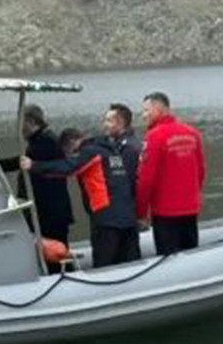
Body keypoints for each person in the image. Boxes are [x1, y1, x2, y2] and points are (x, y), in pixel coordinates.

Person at [23, 105, 142, 268]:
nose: (72, 155)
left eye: (71, 152)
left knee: (104, 266)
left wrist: (33, 165)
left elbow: (67, 168)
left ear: (72, 144)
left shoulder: (90, 152)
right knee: (131, 264)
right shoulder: (113, 150)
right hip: (128, 218)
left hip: (107, 220)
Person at [136, 92, 205, 256]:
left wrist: (140, 212)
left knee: (169, 259)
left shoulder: (154, 137)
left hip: (165, 212)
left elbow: (146, 179)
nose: (143, 115)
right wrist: (193, 196)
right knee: (190, 253)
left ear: (158, 110)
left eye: (146, 110)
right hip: (189, 208)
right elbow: (201, 171)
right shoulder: (192, 133)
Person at [0, 104, 74, 244]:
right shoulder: (39, 140)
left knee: (54, 250)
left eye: (21, 122)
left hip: (50, 212)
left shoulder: (46, 141)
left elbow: (21, 161)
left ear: (32, 122)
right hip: (44, 210)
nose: (19, 127)